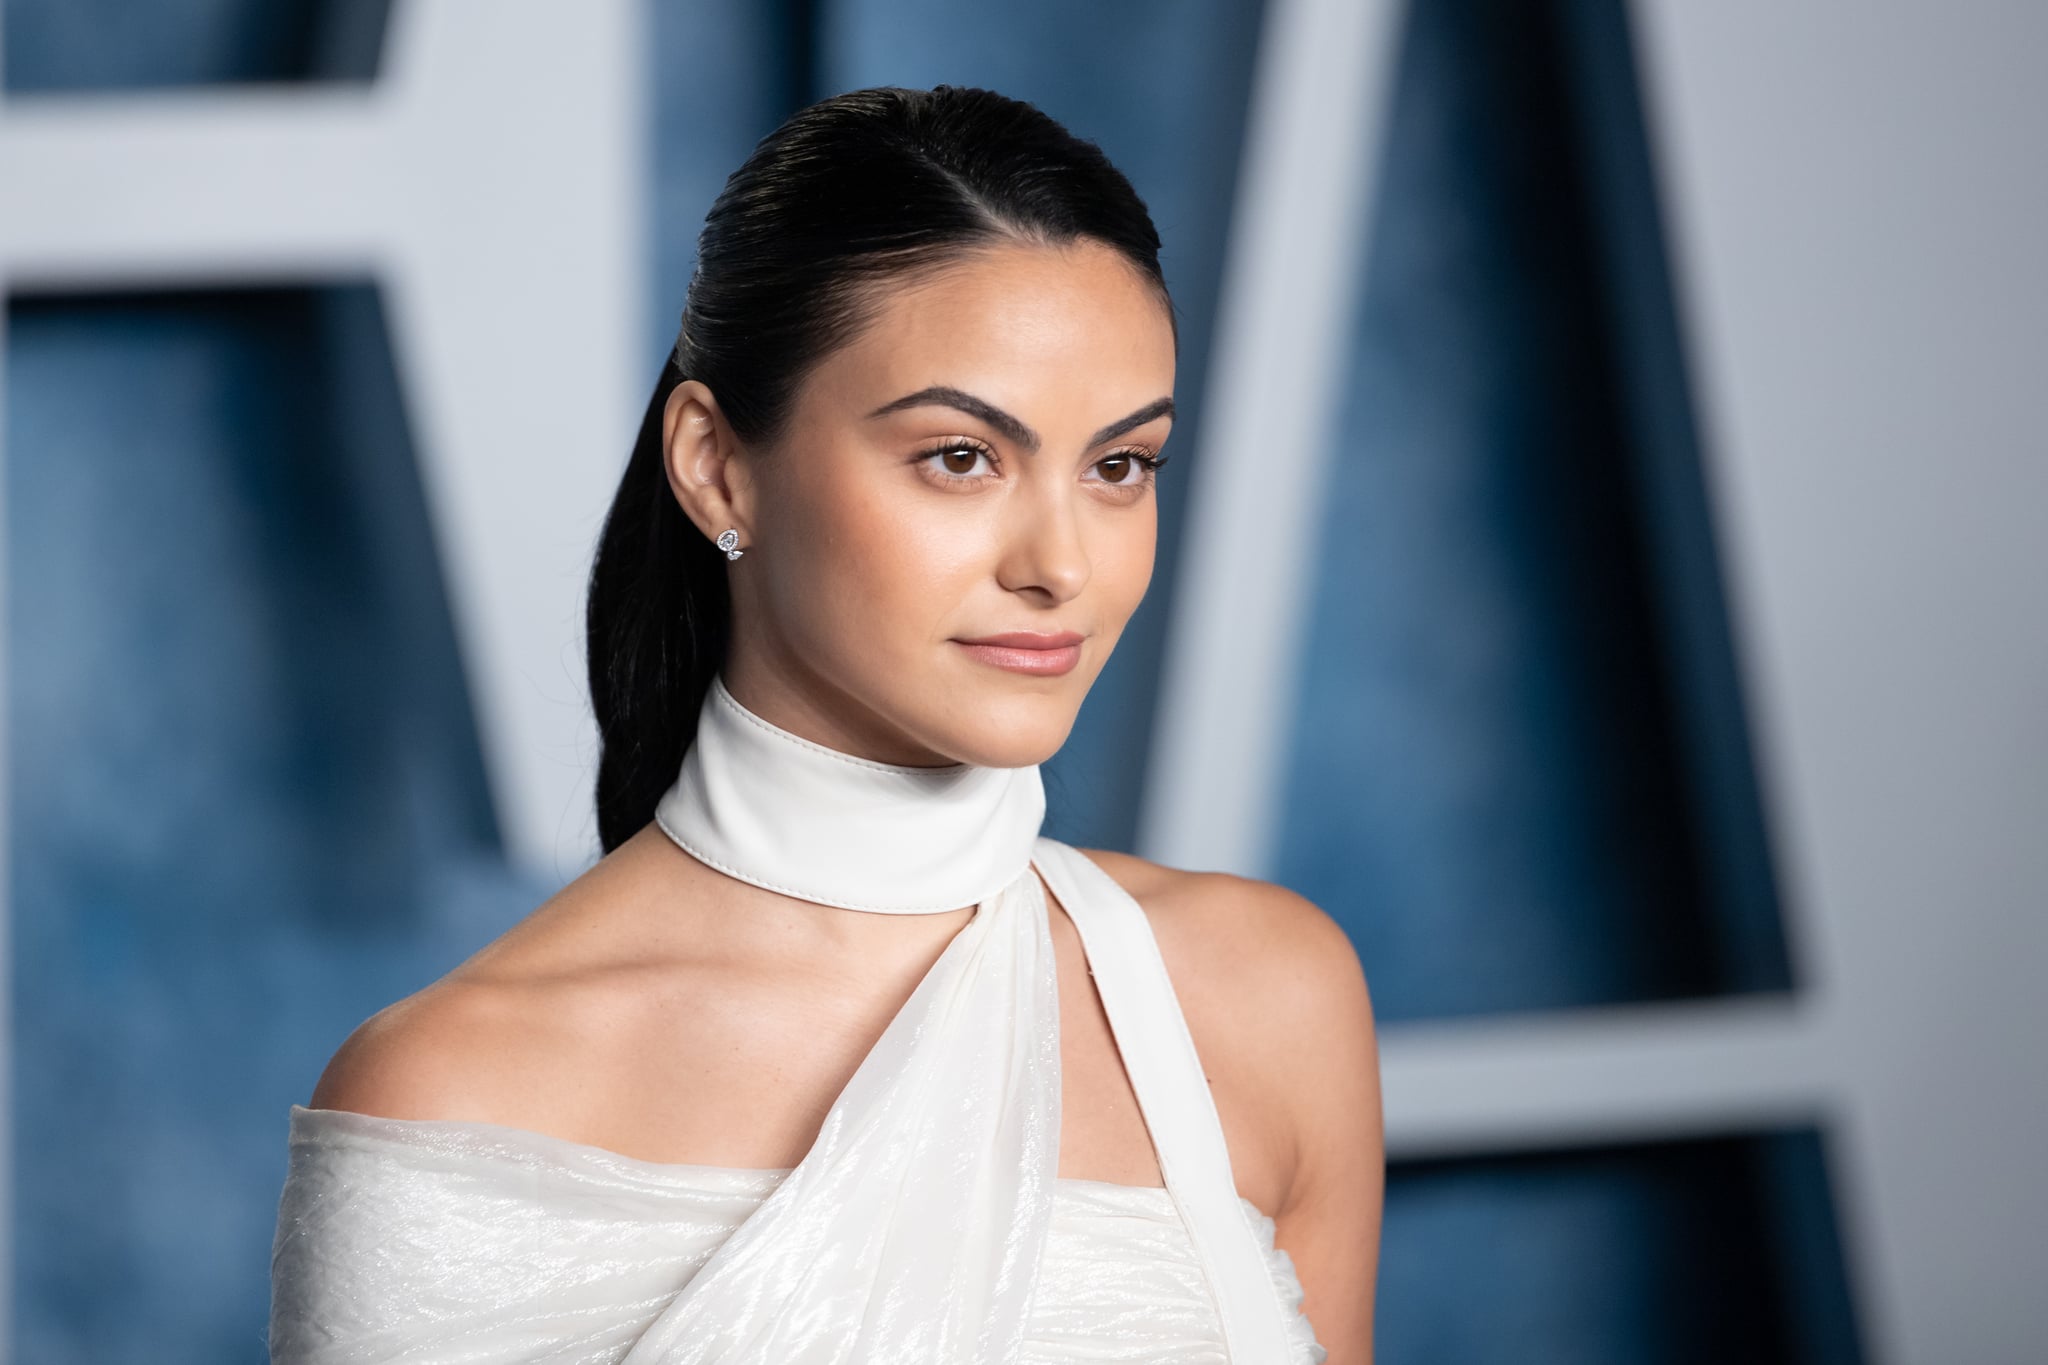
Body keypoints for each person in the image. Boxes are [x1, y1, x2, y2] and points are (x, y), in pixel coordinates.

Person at [268, 83, 1383, 1363]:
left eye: (1119, 466)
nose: (1061, 566)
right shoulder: (455, 1093)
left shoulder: (1265, 997)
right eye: (960, 456)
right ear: (715, 465)